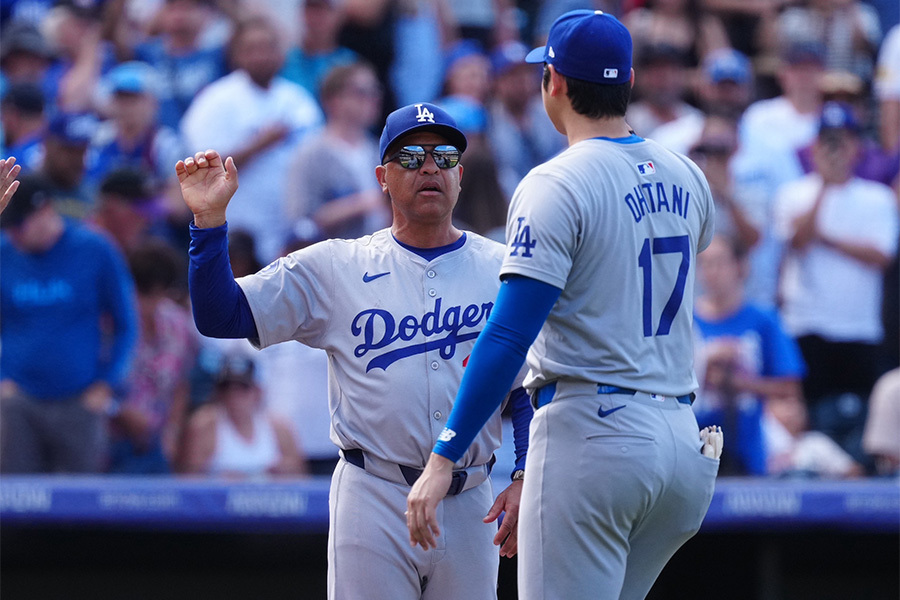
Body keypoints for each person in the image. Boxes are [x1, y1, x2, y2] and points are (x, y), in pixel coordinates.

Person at [407, 11, 721, 600]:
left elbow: (506, 335)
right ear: (626, 82)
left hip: (596, 436)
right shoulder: (687, 172)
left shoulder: (557, 181)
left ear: (554, 82)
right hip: (681, 440)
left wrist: (446, 453)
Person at [176, 101, 533, 599]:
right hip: (374, 492)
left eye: (444, 156)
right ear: (382, 177)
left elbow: (525, 387)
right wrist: (209, 224)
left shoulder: (503, 268)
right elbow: (221, 314)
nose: (429, 167)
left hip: (471, 495)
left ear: (460, 173)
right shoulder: (336, 266)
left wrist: (522, 473)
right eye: (410, 157)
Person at [774, 101, 898, 462]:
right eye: (828, 141)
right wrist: (824, 188)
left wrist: (829, 240)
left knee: (861, 425)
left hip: (859, 328)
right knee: (811, 424)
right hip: (807, 325)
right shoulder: (795, 193)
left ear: (857, 146)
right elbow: (797, 241)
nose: (836, 150)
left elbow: (882, 257)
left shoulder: (877, 198)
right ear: (814, 147)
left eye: (843, 141)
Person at [0, 171, 138, 473]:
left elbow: (126, 323)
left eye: (19, 226)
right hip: (18, 400)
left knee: (81, 506)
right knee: (14, 502)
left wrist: (107, 383)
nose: (13, 236)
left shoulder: (95, 249)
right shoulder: (4, 252)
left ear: (45, 211)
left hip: (80, 399)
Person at [180, 14, 323, 262]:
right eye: (251, 48)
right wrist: (259, 144)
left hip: (290, 234)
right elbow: (201, 171)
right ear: (235, 55)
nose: (261, 55)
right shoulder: (215, 101)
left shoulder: (299, 101)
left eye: (268, 47)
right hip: (237, 234)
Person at [692, 234, 805, 476]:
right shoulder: (684, 322)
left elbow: (790, 387)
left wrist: (737, 383)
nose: (711, 272)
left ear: (741, 266)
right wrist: (704, 364)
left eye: (720, 262)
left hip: (750, 447)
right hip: (692, 444)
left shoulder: (764, 320)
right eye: (704, 263)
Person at [108, 239, 197, 474]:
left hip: (158, 444)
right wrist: (119, 411)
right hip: (109, 442)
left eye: (157, 294)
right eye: (143, 294)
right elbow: (91, 385)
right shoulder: (108, 324)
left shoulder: (178, 324)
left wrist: (172, 432)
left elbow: (181, 384)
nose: (147, 304)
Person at [284, 61, 389, 240]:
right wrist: (361, 204)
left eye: (375, 91)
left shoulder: (378, 149)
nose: (373, 99)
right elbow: (300, 221)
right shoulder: (311, 154)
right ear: (333, 100)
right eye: (361, 92)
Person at [178, 350, 307, 478]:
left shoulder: (280, 428)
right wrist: (219, 480)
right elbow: (189, 482)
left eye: (243, 388)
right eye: (227, 388)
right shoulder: (204, 427)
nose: (234, 396)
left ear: (257, 392)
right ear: (218, 392)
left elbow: (302, 480)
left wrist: (282, 472)